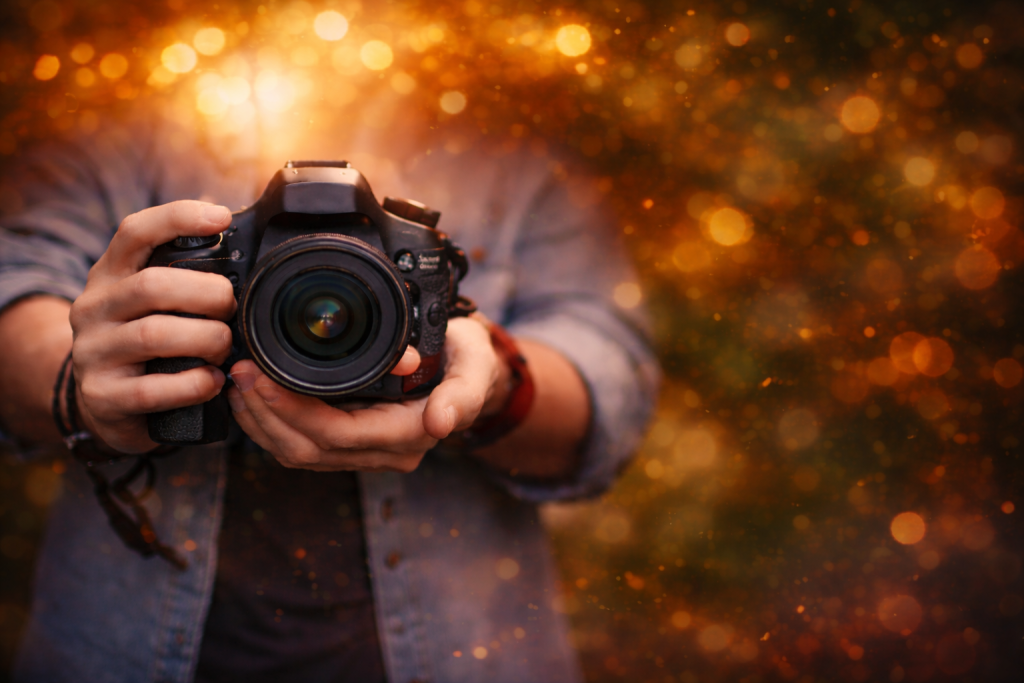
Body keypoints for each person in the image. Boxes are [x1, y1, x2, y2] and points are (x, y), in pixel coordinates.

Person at [0, 103, 658, 682]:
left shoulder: (518, 145)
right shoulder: (115, 128)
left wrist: (493, 383)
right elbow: (15, 279)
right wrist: (87, 381)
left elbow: (613, 372)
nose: (323, 322)